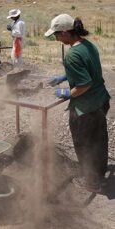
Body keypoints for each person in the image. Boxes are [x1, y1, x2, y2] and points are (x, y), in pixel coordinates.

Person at [45, 14, 111, 193]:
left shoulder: (72, 55)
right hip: (101, 101)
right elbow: (88, 68)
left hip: (85, 109)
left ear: (66, 32)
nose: (56, 38)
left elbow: (84, 84)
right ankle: (99, 175)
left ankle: (91, 182)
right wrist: (64, 76)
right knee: (98, 141)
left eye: (57, 35)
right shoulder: (88, 45)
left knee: (84, 144)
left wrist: (67, 93)